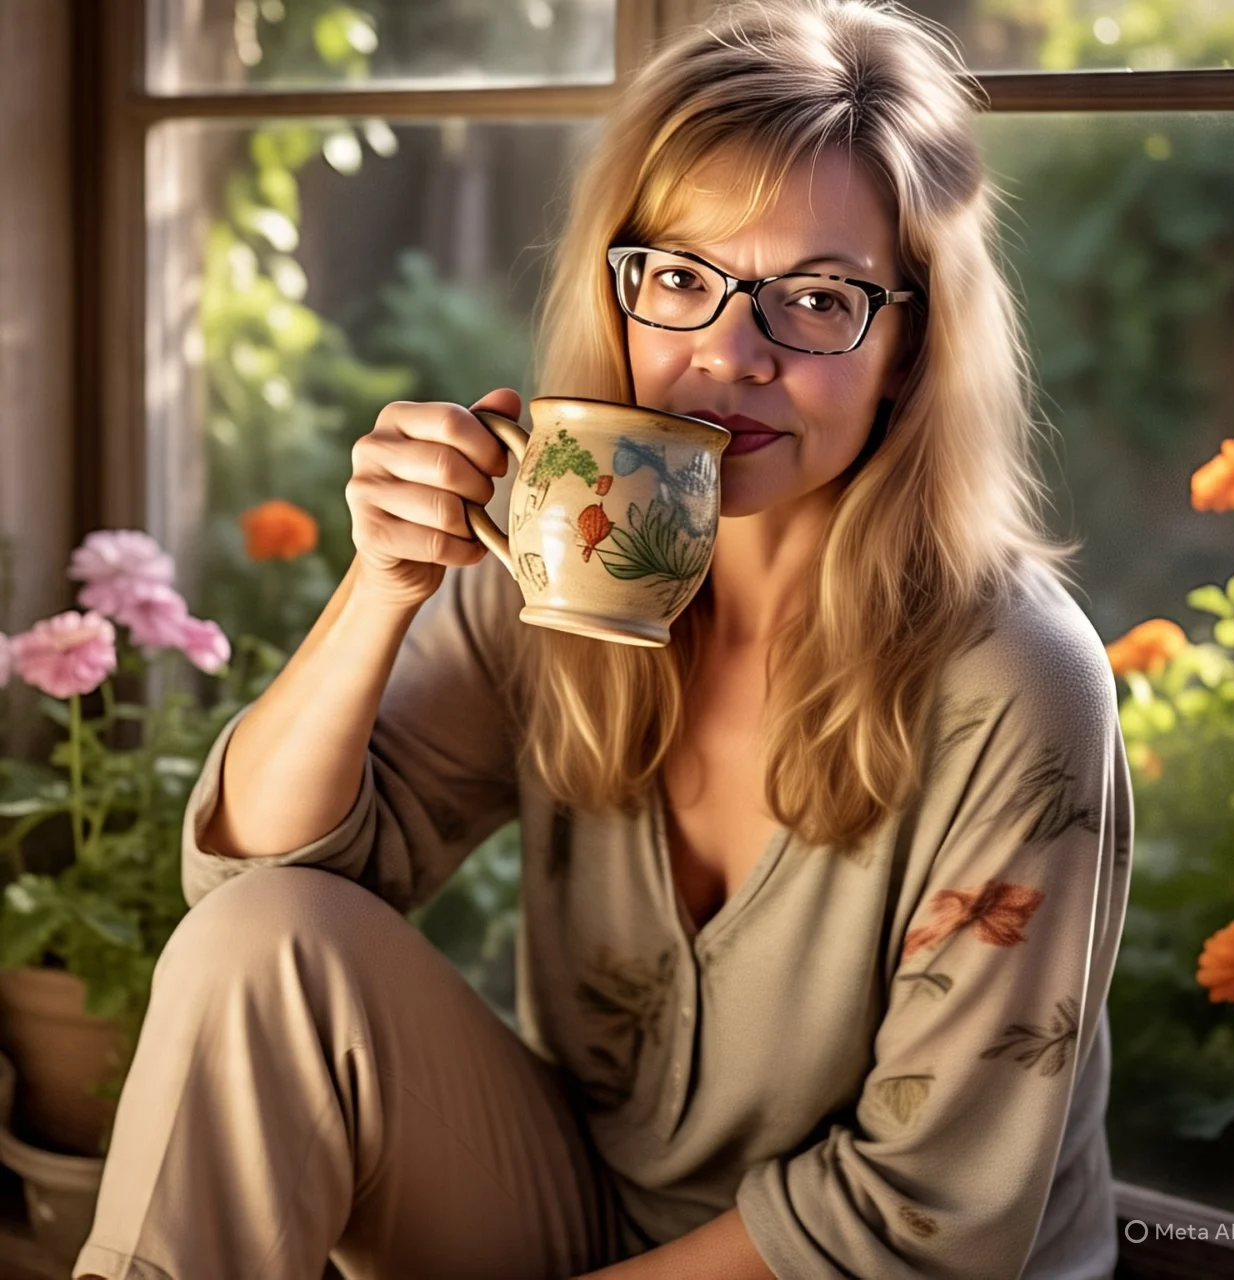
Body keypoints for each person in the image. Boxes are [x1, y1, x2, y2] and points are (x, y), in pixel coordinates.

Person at [73, 1, 1133, 1277]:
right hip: (579, 1205)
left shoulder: (1017, 680)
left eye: (815, 298)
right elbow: (250, 886)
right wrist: (382, 584)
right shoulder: (569, 556)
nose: (727, 354)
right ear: (617, 289)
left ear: (909, 345)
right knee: (261, 947)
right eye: (679, 278)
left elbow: (921, 1219)